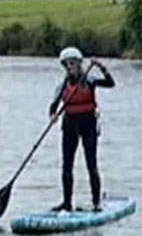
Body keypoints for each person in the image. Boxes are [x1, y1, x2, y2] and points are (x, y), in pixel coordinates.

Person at [49, 46, 115, 212]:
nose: (69, 67)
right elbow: (53, 106)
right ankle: (67, 203)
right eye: (66, 64)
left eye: (72, 63)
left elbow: (110, 83)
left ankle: (96, 202)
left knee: (91, 163)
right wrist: (52, 116)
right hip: (70, 123)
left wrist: (101, 67)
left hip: (88, 123)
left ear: (79, 64)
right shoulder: (61, 85)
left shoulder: (90, 80)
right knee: (66, 165)